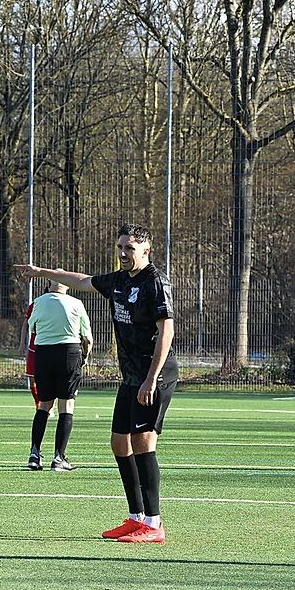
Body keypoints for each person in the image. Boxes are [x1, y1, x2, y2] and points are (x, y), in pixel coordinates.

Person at [16, 223, 176, 543]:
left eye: (130, 248)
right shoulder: (119, 280)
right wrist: (40, 272)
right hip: (131, 376)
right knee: (119, 442)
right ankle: (136, 517)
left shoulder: (155, 281)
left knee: (143, 442)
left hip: (154, 375)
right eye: (120, 247)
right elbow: (81, 280)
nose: (123, 253)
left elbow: (166, 331)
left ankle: (154, 523)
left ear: (146, 250)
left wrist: (151, 379)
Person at [25, 275, 93, 471]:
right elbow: (87, 337)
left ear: (48, 284)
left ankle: (34, 454)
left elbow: (33, 327)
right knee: (67, 405)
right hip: (69, 353)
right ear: (68, 286)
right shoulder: (76, 303)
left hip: (43, 354)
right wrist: (84, 357)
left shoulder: (38, 302)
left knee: (44, 404)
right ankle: (59, 457)